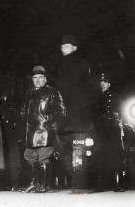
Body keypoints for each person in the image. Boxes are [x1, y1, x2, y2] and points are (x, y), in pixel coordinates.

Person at [55, 35, 97, 187]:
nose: (63, 48)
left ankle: (80, 183)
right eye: (62, 46)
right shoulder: (60, 67)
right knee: (64, 149)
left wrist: (84, 106)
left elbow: (90, 88)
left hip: (79, 115)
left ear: (75, 48)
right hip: (65, 116)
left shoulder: (83, 64)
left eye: (66, 46)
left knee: (78, 148)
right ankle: (75, 180)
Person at [20, 66, 65, 193]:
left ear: (45, 79)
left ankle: (44, 185)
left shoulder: (53, 92)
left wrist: (48, 120)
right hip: (30, 132)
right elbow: (24, 109)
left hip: (44, 131)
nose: (37, 80)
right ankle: (34, 183)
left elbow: (61, 112)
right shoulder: (29, 93)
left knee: (43, 157)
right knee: (29, 156)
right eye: (35, 78)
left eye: (40, 77)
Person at [92, 73, 125, 192]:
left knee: (116, 155)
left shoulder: (115, 96)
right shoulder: (95, 98)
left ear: (109, 84)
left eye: (105, 82)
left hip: (113, 129)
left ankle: (118, 184)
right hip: (100, 130)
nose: (102, 84)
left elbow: (123, 110)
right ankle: (100, 184)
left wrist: (122, 124)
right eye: (100, 82)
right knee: (100, 156)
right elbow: (92, 115)